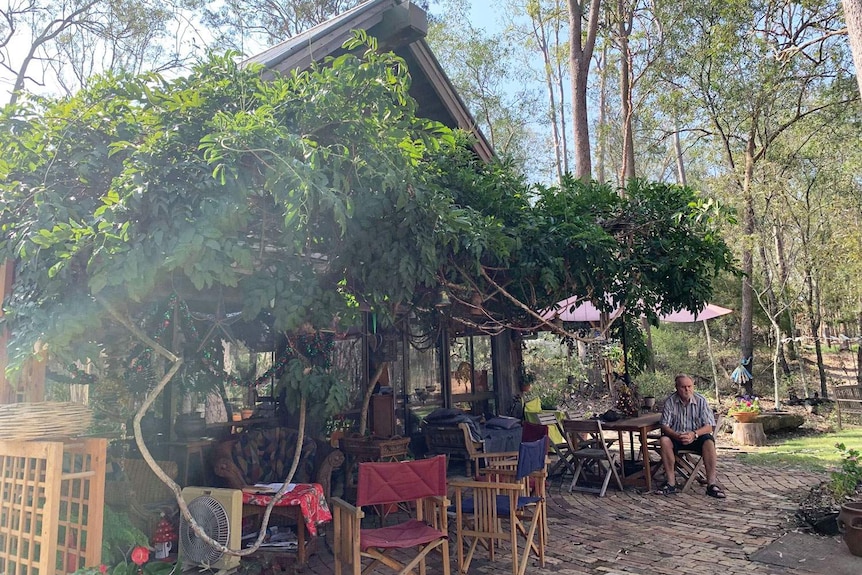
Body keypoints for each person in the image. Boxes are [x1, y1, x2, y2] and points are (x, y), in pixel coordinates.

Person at [658, 374, 725, 498]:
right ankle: (671, 483)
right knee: (664, 440)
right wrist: (676, 435)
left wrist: (694, 434)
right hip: (676, 436)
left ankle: (711, 484)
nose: (687, 389)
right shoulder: (670, 401)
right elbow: (664, 426)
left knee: (709, 442)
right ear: (677, 387)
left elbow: (709, 426)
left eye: (689, 386)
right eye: (683, 387)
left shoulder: (701, 400)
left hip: (697, 436)